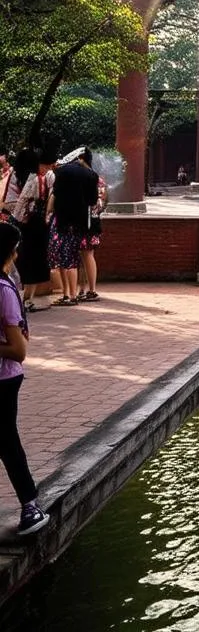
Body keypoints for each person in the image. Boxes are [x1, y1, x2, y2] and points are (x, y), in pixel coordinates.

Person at [0, 224, 50, 536]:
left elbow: (18, 350)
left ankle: (29, 503)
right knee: (5, 442)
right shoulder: (5, 288)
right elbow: (19, 348)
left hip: (4, 380)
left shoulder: (5, 289)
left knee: (6, 440)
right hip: (4, 377)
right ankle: (29, 504)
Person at [48, 147, 99, 306]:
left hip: (63, 221)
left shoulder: (62, 172)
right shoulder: (92, 175)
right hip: (84, 223)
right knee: (81, 257)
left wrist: (49, 213)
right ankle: (84, 291)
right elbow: (93, 201)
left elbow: (54, 196)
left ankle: (68, 294)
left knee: (65, 259)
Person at [11, 149, 55, 311]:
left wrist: (16, 220)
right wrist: (48, 216)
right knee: (38, 260)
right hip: (40, 225)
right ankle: (28, 299)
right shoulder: (45, 178)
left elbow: (21, 203)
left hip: (27, 224)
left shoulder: (24, 178)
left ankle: (24, 299)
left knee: (26, 259)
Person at [78, 165, 107, 302]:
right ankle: (86, 289)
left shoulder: (83, 182)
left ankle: (89, 289)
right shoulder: (99, 181)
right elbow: (102, 202)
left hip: (86, 224)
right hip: (93, 223)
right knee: (86, 257)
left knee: (85, 257)